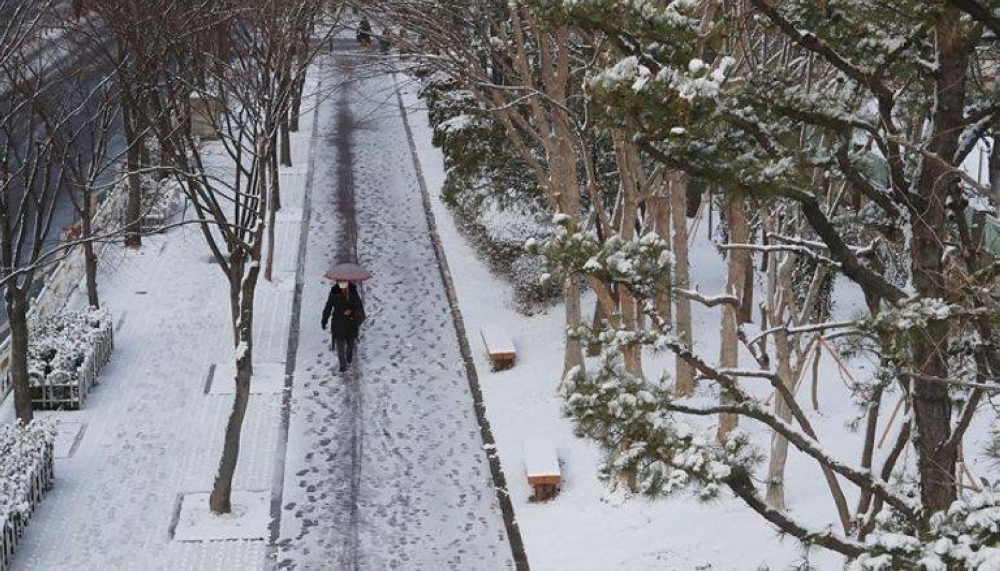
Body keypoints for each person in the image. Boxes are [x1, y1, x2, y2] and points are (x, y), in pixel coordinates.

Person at [321, 280, 365, 372]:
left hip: (351, 323)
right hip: (338, 322)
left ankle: (349, 356)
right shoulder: (334, 292)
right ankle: (343, 365)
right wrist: (324, 319)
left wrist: (351, 311)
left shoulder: (353, 291)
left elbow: (359, 306)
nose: (343, 287)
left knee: (350, 342)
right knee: (340, 344)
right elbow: (328, 306)